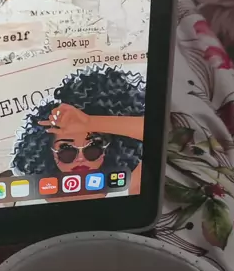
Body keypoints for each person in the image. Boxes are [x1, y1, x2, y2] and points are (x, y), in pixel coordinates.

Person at [12, 65, 145, 195]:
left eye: (93, 147)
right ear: (48, 152)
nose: (80, 158)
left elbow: (151, 133)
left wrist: (90, 122)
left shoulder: (130, 184)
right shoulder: (32, 193)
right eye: (66, 149)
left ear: (110, 148)